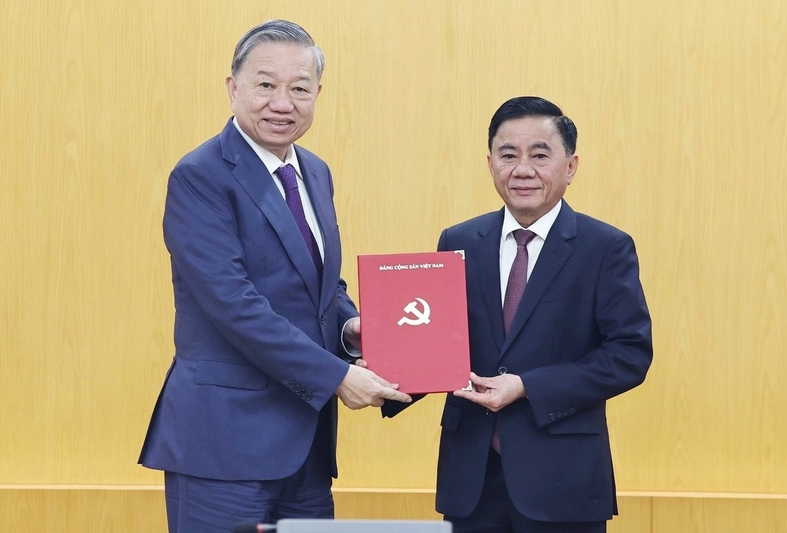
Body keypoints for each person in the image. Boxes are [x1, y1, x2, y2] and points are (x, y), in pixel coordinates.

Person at [139, 20, 411, 533]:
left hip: (305, 451)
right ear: (232, 87)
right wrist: (337, 376)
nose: (282, 103)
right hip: (223, 446)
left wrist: (351, 328)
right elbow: (233, 304)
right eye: (266, 84)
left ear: (317, 95)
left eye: (299, 89)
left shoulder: (316, 171)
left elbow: (321, 285)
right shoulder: (200, 176)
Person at [384, 96, 652, 533]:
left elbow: (628, 355)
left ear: (571, 166)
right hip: (471, 477)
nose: (522, 169)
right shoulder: (459, 240)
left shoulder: (605, 248)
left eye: (540, 155)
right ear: (490, 164)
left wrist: (527, 386)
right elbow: (434, 340)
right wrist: (382, 368)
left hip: (563, 482)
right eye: (508, 155)